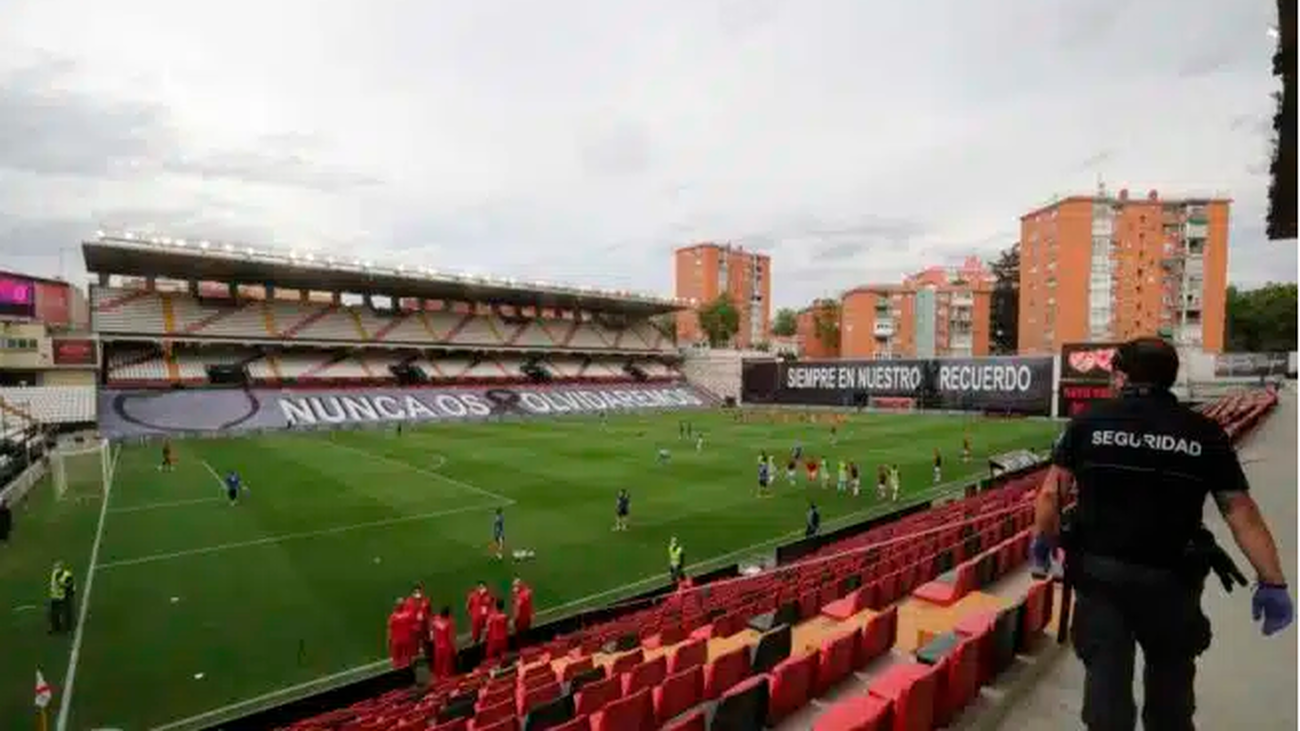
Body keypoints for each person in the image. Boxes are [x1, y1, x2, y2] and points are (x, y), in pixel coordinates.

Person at [1031, 337, 1294, 731]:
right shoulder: (1203, 432)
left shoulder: (1088, 423)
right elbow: (1240, 511)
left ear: (1122, 375)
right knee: (1171, 701)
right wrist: (1272, 580)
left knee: (1106, 699)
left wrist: (1043, 542)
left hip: (1102, 580)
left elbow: (1052, 494)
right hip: (1173, 583)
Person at [386, 598, 416, 669]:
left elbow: (389, 630)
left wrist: (388, 641)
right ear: (404, 605)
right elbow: (414, 628)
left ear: (396, 606)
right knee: (407, 660)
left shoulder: (392, 616)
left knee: (396, 661)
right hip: (407, 641)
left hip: (397, 642)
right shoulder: (409, 614)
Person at [430, 606, 457, 678]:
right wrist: (454, 649)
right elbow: (451, 637)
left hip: (437, 647)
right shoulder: (450, 622)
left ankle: (437, 678)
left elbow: (432, 630)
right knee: (447, 666)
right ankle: (446, 680)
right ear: (447, 615)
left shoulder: (435, 619)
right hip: (446, 647)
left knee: (438, 664)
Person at [48, 560, 74, 634]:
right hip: (54, 596)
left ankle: (68, 628)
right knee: (54, 613)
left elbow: (70, 585)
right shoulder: (54, 574)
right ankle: (56, 627)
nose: (56, 570)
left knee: (67, 612)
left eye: (58, 568)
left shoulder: (67, 575)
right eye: (56, 568)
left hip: (64, 596)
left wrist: (63, 585)